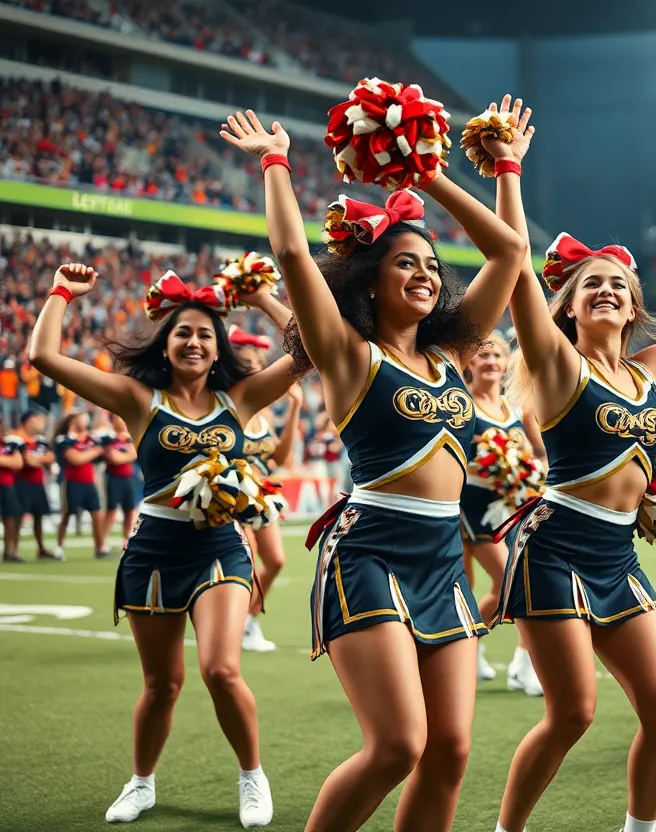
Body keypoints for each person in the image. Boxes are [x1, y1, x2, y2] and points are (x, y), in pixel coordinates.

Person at [223, 102, 528, 832]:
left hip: (440, 563)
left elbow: (511, 255)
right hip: (370, 555)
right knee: (397, 746)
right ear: (367, 281)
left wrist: (436, 177)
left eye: (431, 265)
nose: (424, 274)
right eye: (404, 262)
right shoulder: (349, 358)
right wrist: (274, 161)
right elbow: (296, 259)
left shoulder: (452, 356)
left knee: (450, 750)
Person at [494, 112, 656, 832]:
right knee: (573, 713)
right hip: (555, 549)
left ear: (634, 303)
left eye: (617, 283)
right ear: (570, 305)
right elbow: (515, 265)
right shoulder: (555, 363)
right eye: (591, 285)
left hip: (618, 554)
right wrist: (509, 171)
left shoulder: (652, 369)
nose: (606, 291)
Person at [30, 261, 296, 826]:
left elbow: (314, 348)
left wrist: (267, 299)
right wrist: (61, 291)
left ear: (218, 346)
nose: (194, 341)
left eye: (205, 333)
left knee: (221, 670)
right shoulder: (137, 399)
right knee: (161, 685)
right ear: (166, 342)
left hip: (220, 548)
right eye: (183, 332)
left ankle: (253, 777)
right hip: (152, 551)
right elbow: (44, 358)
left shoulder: (241, 399)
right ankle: (141, 783)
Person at [459, 330, 545, 695]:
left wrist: (527, 473)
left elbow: (539, 455)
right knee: (517, 581)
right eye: (483, 356)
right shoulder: (463, 408)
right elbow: (454, 460)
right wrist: (493, 467)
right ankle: (522, 668)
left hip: (514, 509)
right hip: (474, 511)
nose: (491, 362)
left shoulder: (517, 408)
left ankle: (472, 646)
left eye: (497, 355)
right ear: (470, 364)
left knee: (507, 584)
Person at [230, 327, 304, 654]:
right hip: (231, 498)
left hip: (260, 497)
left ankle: (246, 621)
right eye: (245, 363)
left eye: (257, 364)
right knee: (248, 562)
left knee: (275, 561)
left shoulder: (260, 409)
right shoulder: (228, 405)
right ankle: (234, 626)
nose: (253, 369)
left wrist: (294, 410)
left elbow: (281, 458)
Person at [53, 410, 106, 559]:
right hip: (71, 482)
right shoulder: (64, 440)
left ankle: (100, 548)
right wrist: (94, 451)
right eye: (81, 419)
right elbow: (75, 459)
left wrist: (93, 451)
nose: (85, 421)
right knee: (66, 515)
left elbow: (102, 454)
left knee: (96, 515)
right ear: (73, 421)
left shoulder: (89, 439)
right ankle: (59, 547)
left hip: (88, 482)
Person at [14, 410, 55, 560]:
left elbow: (50, 457)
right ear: (28, 422)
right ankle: (14, 548)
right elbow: (27, 461)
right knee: (18, 516)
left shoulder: (40, 440)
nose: (38, 424)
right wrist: (40, 459)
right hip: (21, 482)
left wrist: (38, 459)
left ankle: (41, 548)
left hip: (37, 482)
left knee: (39, 515)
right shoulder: (18, 439)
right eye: (35, 421)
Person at [98, 414, 140, 554]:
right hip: (113, 477)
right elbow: (113, 457)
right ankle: (102, 544)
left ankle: (126, 540)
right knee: (111, 511)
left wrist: (124, 456)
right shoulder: (108, 438)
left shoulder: (130, 436)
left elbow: (135, 454)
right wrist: (127, 455)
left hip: (128, 477)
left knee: (129, 510)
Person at [1, 419, 23, 562]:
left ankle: (9, 551)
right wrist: (6, 461)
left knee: (12, 518)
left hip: (7, 486)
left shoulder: (10, 445)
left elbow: (18, 463)